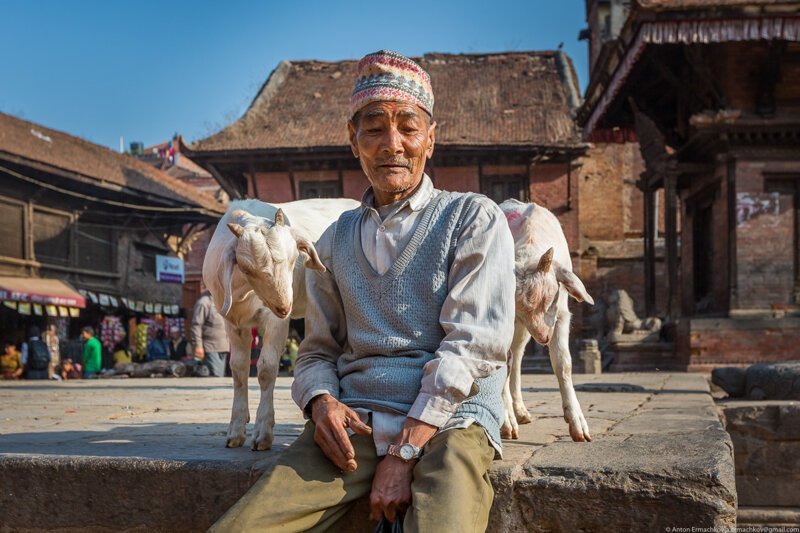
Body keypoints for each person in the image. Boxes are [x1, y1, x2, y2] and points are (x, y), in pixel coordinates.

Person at [210, 50, 516, 533]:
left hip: (452, 421)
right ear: (353, 141)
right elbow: (315, 353)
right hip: (354, 423)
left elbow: (474, 348)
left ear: (430, 139)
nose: (392, 144)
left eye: (408, 128)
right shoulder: (334, 241)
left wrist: (405, 451)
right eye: (374, 129)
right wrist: (321, 403)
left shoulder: (473, 219)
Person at [190, 289, 229, 377]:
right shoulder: (204, 302)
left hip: (224, 347)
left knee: (220, 377)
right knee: (215, 377)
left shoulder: (224, 301)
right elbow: (196, 325)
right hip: (210, 348)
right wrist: (198, 346)